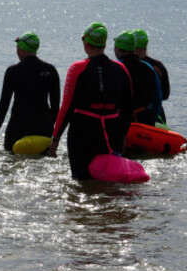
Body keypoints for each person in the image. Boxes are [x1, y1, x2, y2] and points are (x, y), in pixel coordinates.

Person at [48, 22, 133, 180]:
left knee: (82, 183)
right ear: (104, 44)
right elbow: (128, 108)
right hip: (111, 132)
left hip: (82, 134)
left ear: (86, 43)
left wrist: (55, 138)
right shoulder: (121, 69)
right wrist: (123, 136)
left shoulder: (77, 68)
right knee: (107, 180)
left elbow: (66, 107)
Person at [0, 32, 60, 152]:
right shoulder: (50, 70)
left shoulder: (13, 71)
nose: (16, 51)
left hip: (18, 128)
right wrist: (55, 136)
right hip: (43, 128)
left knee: (11, 162)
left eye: (17, 48)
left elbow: (4, 104)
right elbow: (55, 107)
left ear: (22, 49)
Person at [113, 30, 162, 126]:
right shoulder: (149, 68)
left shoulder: (114, 68)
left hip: (119, 121)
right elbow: (157, 99)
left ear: (118, 49)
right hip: (143, 121)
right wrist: (151, 120)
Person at [134, 29, 170, 124]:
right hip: (158, 114)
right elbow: (165, 95)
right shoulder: (159, 66)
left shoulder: (132, 66)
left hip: (138, 115)